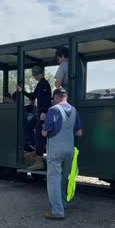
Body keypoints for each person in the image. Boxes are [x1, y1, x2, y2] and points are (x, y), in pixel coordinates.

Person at [42, 87, 83, 220]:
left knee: (53, 179)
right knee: (64, 177)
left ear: (56, 97)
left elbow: (45, 132)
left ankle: (57, 212)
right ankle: (63, 203)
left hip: (56, 149)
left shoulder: (53, 109)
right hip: (70, 149)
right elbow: (79, 133)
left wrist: (43, 123)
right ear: (66, 97)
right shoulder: (74, 110)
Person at [17, 66, 52, 170]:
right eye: (34, 75)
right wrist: (22, 90)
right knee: (28, 128)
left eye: (36, 75)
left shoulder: (45, 84)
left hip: (43, 112)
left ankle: (39, 159)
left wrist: (44, 112)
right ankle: (35, 149)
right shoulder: (40, 84)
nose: (35, 77)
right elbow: (33, 97)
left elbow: (46, 100)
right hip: (39, 112)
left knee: (39, 134)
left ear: (41, 74)